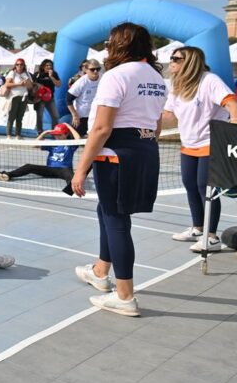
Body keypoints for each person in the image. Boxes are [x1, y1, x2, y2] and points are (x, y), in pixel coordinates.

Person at [71, 22, 167, 317]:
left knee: (116, 220)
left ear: (118, 44)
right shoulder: (157, 78)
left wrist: (80, 169)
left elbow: (100, 128)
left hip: (116, 155)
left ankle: (125, 296)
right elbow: (157, 125)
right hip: (146, 151)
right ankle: (101, 271)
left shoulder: (115, 76)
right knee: (108, 212)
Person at [162, 46, 237, 253]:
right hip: (189, 143)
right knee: (190, 184)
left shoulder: (209, 80)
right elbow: (169, 116)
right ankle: (198, 228)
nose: (171, 62)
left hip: (211, 142)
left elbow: (232, 103)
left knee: (205, 188)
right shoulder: (177, 85)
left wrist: (235, 125)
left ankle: (212, 236)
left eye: (176, 58)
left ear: (189, 62)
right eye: (171, 58)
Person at [0, 122, 79, 195]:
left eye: (59, 135)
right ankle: (7, 175)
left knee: (71, 176)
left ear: (66, 134)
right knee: (29, 166)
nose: (57, 137)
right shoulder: (52, 144)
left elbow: (78, 139)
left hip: (64, 169)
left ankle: (71, 190)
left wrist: (68, 126)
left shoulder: (70, 144)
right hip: (50, 169)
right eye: (55, 135)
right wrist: (45, 133)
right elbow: (34, 145)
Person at [67, 59, 101, 136]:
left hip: (97, 114)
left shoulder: (103, 78)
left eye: (98, 69)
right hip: (82, 115)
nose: (95, 71)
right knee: (74, 139)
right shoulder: (81, 82)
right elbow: (68, 99)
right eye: (92, 69)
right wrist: (75, 115)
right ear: (86, 70)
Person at [3, 58, 32, 139]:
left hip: (23, 97)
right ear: (15, 65)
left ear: (24, 65)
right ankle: (8, 135)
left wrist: (26, 82)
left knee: (20, 117)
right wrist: (18, 84)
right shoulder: (12, 73)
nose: (19, 66)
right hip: (14, 97)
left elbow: (30, 87)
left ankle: (18, 135)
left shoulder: (27, 74)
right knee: (11, 117)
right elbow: (7, 84)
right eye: (17, 64)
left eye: (21, 64)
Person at [32, 59, 61, 132]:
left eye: (50, 65)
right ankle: (40, 131)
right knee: (40, 116)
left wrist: (51, 76)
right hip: (39, 98)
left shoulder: (54, 74)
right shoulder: (37, 74)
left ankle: (54, 131)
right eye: (47, 65)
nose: (49, 67)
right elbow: (32, 85)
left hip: (50, 98)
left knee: (55, 116)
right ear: (43, 66)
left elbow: (58, 85)